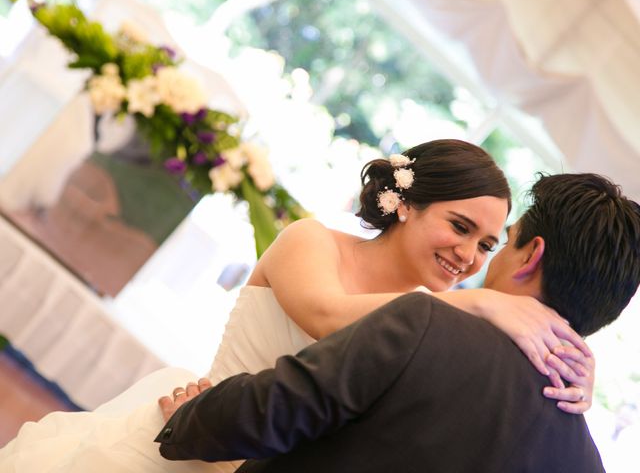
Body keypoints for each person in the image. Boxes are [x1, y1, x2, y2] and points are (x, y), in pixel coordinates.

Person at [0, 140, 591, 472]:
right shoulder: (312, 242)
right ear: (408, 203)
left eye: (486, 245)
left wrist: (579, 369)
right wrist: (481, 305)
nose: (467, 255)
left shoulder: (437, 322)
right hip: (181, 437)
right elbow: (325, 315)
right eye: (459, 227)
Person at [156, 173, 640, 472]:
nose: (473, 258)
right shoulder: (583, 461)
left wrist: (195, 419)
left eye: (497, 243)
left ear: (530, 255)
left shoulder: (426, 326)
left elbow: (278, 406)